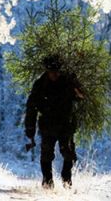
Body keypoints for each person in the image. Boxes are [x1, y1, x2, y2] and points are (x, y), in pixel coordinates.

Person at [24, 55, 84, 189]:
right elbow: (31, 108)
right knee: (46, 153)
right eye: (51, 71)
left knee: (68, 152)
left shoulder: (68, 82)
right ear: (47, 71)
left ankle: (66, 178)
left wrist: (76, 84)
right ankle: (47, 181)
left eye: (57, 71)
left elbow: (81, 96)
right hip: (47, 125)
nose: (54, 74)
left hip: (66, 124)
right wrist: (30, 129)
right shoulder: (40, 84)